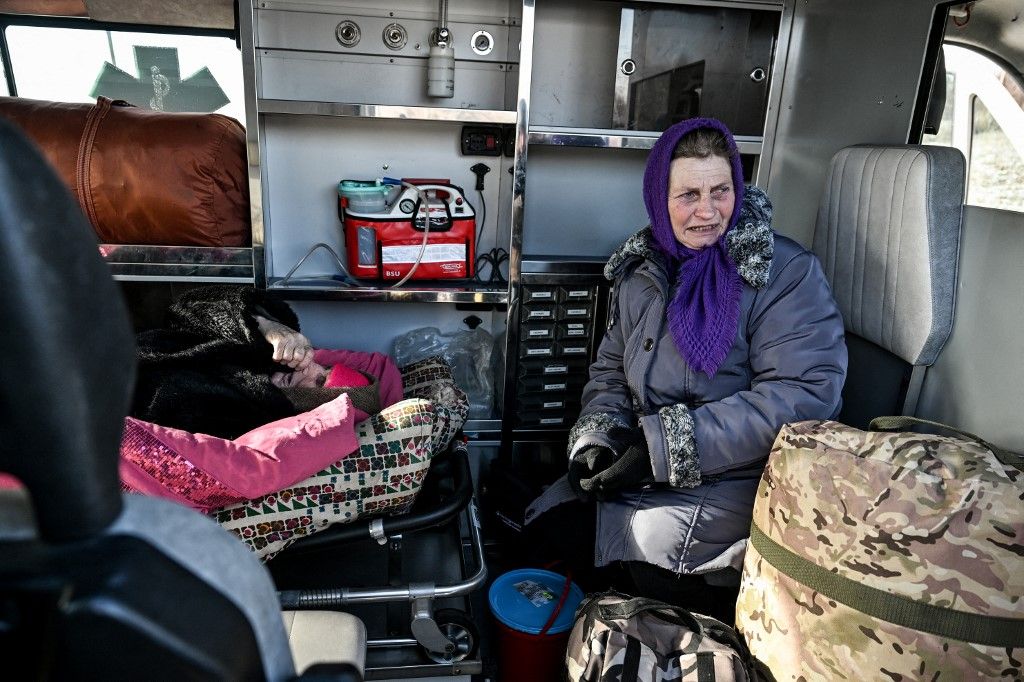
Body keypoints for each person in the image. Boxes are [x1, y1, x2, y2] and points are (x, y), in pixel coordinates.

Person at [554, 117, 847, 622]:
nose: (708, 212)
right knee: (545, 526)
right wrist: (600, 437)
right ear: (658, 199)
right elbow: (610, 370)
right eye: (688, 195)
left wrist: (659, 448)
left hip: (743, 477)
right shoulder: (642, 271)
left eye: (721, 191)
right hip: (649, 467)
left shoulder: (784, 273)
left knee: (642, 555)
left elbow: (802, 396)